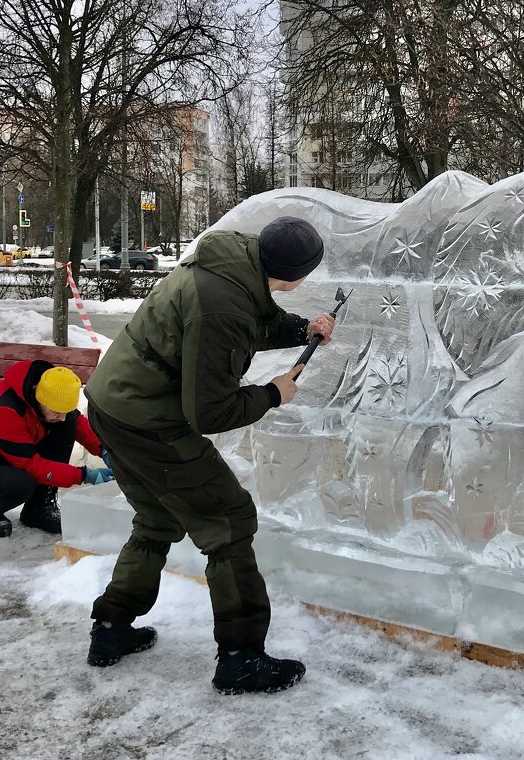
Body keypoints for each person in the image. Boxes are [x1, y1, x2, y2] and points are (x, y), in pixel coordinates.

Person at [83, 216, 335, 695]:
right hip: (148, 421)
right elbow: (209, 411)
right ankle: (241, 658)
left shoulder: (230, 266)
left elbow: (250, 321)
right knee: (230, 521)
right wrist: (273, 394)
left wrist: (304, 328)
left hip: (112, 406)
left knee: (157, 520)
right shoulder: (223, 304)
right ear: (299, 273)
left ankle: (111, 628)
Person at [0, 361, 114, 538]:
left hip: (6, 454)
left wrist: (104, 450)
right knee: (22, 484)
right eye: (56, 411)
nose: (61, 417)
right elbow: (29, 465)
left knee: (69, 422)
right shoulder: (4, 409)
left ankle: (38, 509)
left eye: (65, 410)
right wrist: (84, 475)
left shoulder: (48, 394)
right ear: (39, 399)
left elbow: (75, 421)